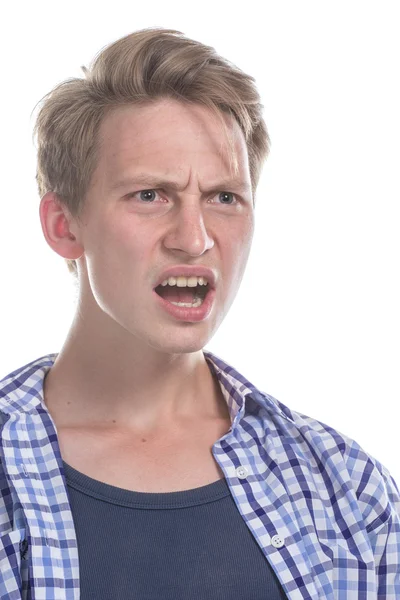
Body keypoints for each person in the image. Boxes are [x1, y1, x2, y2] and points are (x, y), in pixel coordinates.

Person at [0, 27, 399, 600]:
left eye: (224, 197)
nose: (194, 239)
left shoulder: (345, 490)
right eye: (150, 195)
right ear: (64, 225)